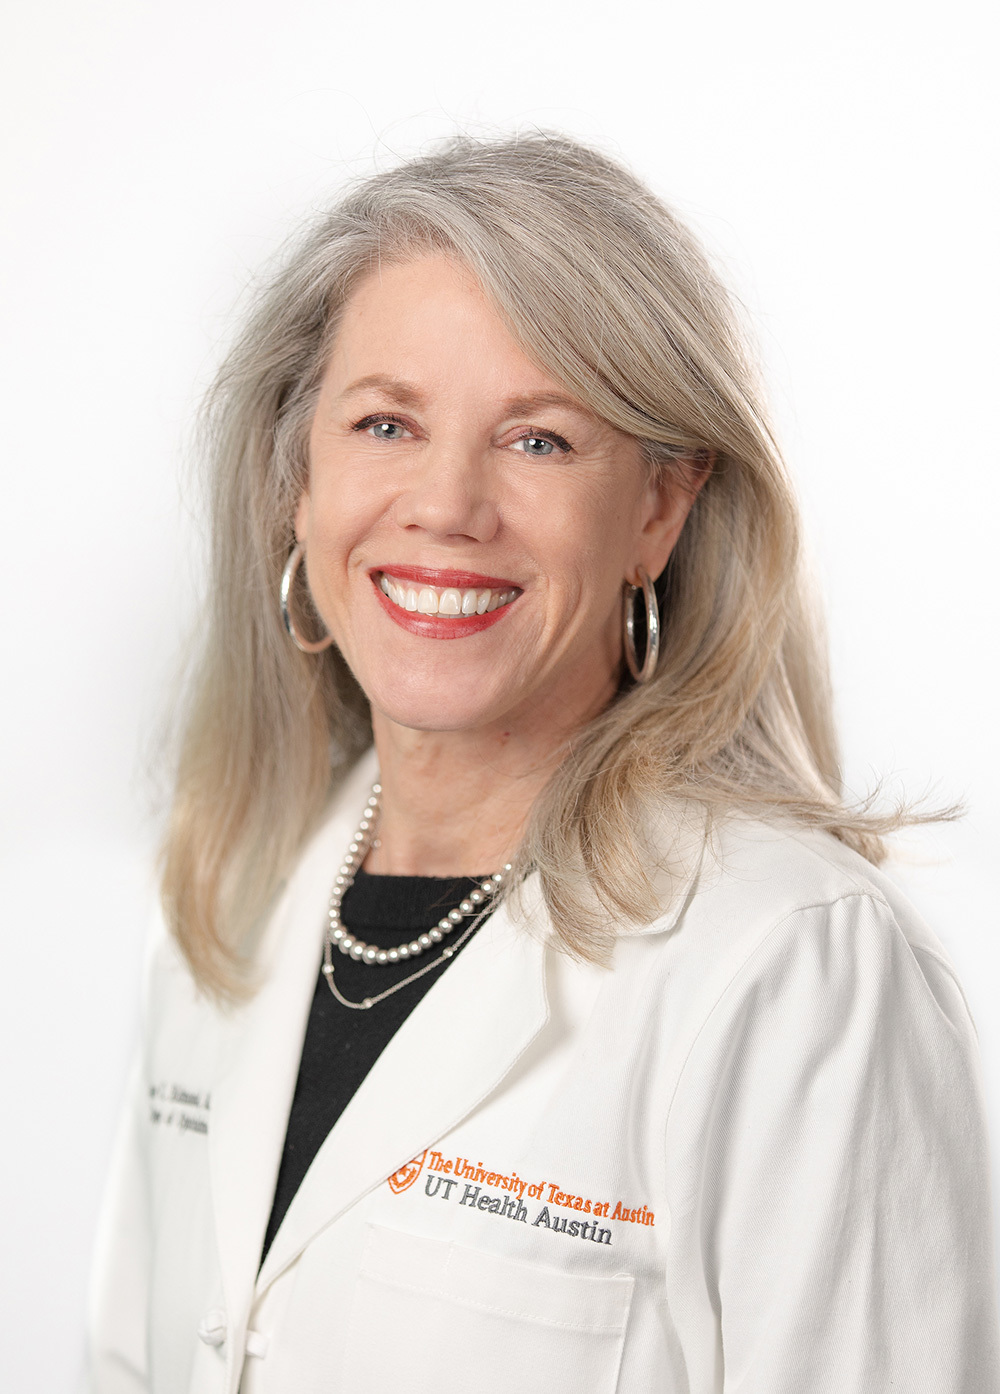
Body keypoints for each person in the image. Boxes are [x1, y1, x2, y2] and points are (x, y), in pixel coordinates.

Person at [86, 132, 1000, 1393]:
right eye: (386, 421)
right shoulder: (230, 886)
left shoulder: (793, 964)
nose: (446, 506)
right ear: (298, 480)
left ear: (659, 510)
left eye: (539, 440)